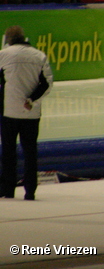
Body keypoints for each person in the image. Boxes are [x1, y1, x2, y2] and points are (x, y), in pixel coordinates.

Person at [0, 25, 53, 200]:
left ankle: (8, 190)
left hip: (9, 112)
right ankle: (30, 190)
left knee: (8, 152)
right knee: (30, 152)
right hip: (31, 113)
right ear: (24, 37)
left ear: (8, 39)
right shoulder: (39, 55)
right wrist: (31, 101)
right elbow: (47, 85)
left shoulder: (3, 55)